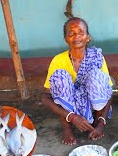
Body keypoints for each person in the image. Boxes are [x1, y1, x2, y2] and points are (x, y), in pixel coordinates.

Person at [42, 17, 113, 145]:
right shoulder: (58, 61)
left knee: (96, 76)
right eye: (71, 33)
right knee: (60, 77)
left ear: (88, 37)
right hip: (69, 108)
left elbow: (108, 91)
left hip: (91, 105)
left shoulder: (97, 57)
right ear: (66, 39)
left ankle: (95, 123)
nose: (76, 37)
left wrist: (102, 123)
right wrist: (72, 117)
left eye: (81, 32)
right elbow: (46, 97)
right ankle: (67, 128)